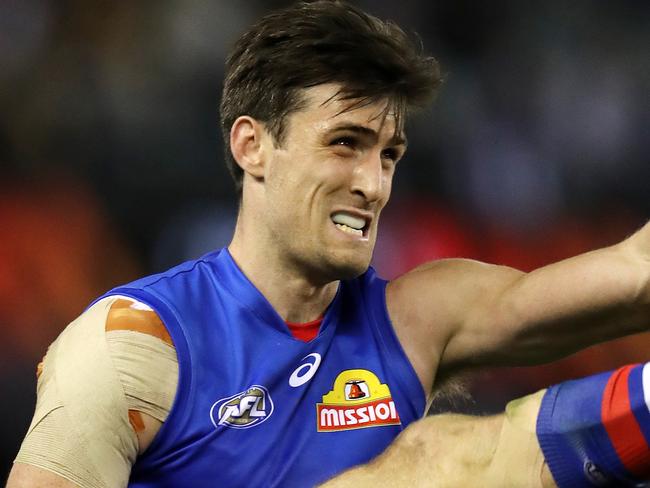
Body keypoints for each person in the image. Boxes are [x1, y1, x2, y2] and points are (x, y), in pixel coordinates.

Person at [7, 1, 650, 487]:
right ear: (251, 145)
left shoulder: (415, 317)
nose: (373, 185)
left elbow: (633, 273)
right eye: (345, 143)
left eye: (389, 154)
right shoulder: (132, 347)